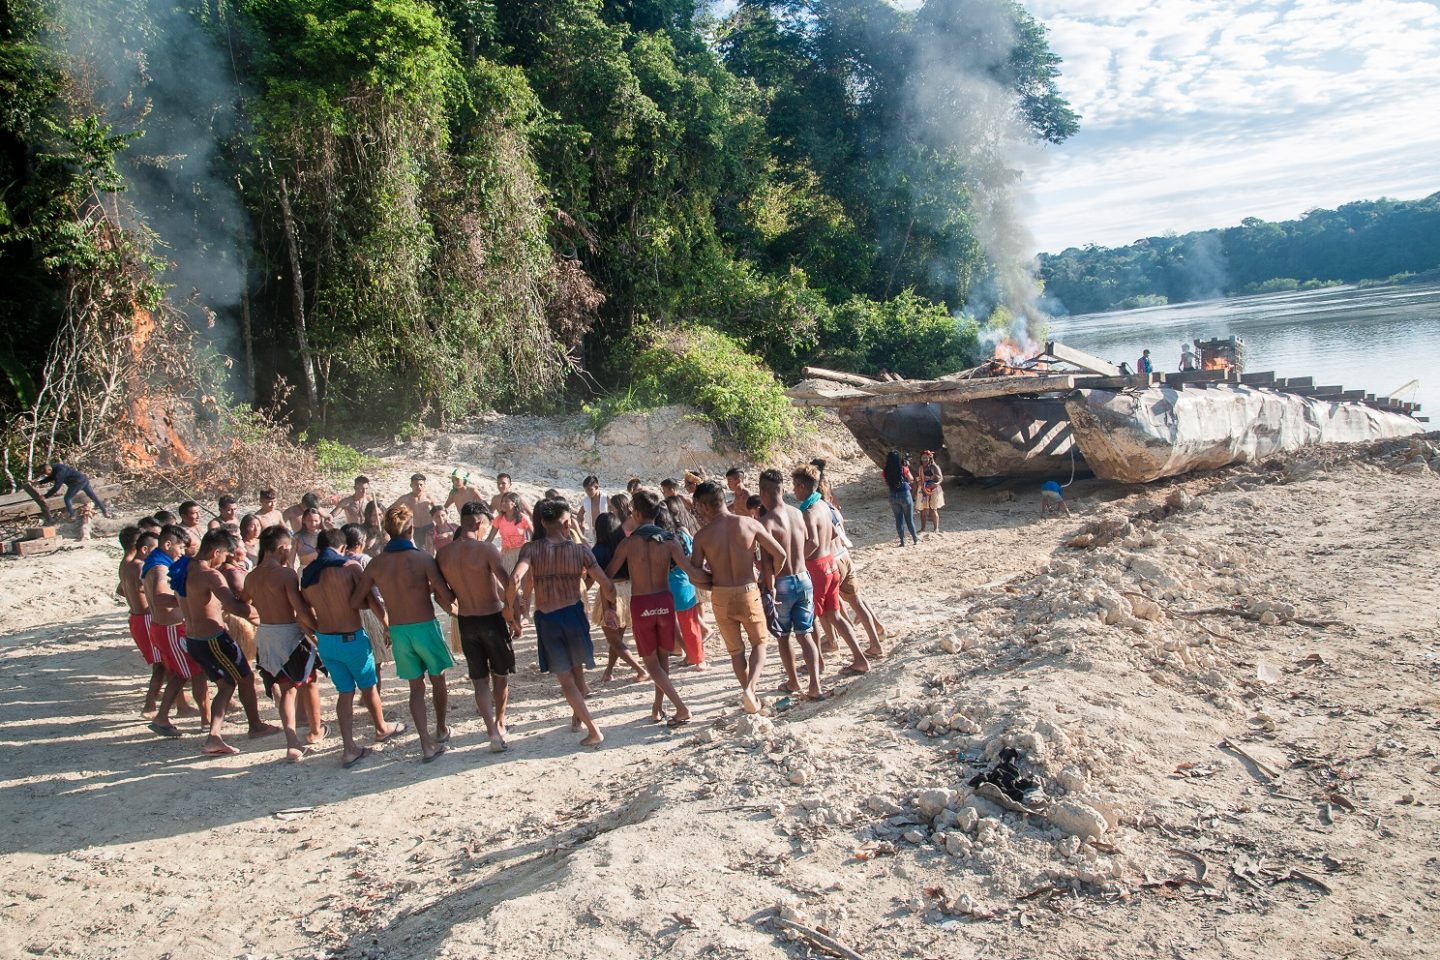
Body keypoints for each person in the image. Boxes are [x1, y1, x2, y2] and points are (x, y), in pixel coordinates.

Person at [506, 498, 621, 747]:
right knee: (576, 669)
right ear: (567, 522)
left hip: (549, 618)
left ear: (543, 522)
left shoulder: (531, 549)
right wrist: (611, 609)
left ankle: (593, 730)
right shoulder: (580, 550)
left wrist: (511, 610)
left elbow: (515, 578)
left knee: (566, 680)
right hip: (575, 615)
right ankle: (578, 717)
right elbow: (607, 584)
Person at [352, 504, 456, 763]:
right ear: (410, 530)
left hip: (398, 629)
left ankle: (426, 743)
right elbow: (446, 594)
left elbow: (357, 599)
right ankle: (441, 728)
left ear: (387, 531)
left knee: (415, 688)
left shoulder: (376, 564)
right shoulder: (422, 559)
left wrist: (381, 610)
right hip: (424, 625)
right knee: (438, 679)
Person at [304, 529, 407, 768]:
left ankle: (349, 748)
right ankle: (381, 728)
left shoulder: (307, 574)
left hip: (326, 640)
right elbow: (371, 599)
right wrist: (387, 625)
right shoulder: (350, 567)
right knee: (368, 687)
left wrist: (315, 631)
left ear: (319, 549)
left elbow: (302, 612)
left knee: (345, 692)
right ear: (341, 547)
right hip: (351, 638)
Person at [173, 529, 280, 755]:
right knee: (245, 678)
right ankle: (254, 726)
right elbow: (234, 606)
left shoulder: (184, 566)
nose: (225, 560)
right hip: (212, 638)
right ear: (216, 551)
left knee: (226, 684)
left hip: (193, 638)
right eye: (224, 555)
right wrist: (265, 617)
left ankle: (215, 735)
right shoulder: (210, 575)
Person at [688, 481, 788, 714]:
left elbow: (696, 574)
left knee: (736, 651)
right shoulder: (748, 523)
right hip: (748, 590)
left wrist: (709, 582)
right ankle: (751, 691)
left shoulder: (702, 536)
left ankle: (749, 695)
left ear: (703, 506)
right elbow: (780, 554)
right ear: (723, 499)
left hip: (721, 594)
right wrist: (766, 578)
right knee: (760, 643)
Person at [606, 492, 693, 726]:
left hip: (642, 603)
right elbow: (691, 570)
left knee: (651, 663)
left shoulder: (628, 543)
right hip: (665, 602)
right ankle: (658, 707)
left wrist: (608, 604)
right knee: (663, 658)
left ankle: (681, 708)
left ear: (635, 513)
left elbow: (609, 575)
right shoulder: (670, 541)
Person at [243, 526, 326, 762]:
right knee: (302, 685)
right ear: (280, 548)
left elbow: (242, 602)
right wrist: (317, 630)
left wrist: (259, 617)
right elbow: (299, 609)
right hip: (289, 634)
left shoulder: (252, 576)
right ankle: (308, 733)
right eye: (288, 549)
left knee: (290, 687)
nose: (288, 553)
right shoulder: (286, 574)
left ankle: (300, 736)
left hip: (266, 634)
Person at [436, 501, 514, 752]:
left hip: (466, 621)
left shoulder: (444, 554)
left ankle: (491, 731)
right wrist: (513, 613)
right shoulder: (487, 550)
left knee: (479, 680)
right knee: (500, 676)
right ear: (479, 522)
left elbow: (441, 595)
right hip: (491, 617)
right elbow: (508, 584)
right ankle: (500, 722)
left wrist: (454, 609)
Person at [795, 464, 869, 677]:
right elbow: (835, 535)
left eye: (795, 486)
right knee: (835, 615)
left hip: (816, 567)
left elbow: (812, 543)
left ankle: (817, 663)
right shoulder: (823, 505)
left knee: (813, 618)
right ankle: (859, 658)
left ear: (801, 486)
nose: (794, 491)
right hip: (830, 563)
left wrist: (796, 559)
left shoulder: (808, 512)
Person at [757, 469, 824, 701]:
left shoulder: (765, 522)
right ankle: (815, 685)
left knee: (783, 636)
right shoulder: (797, 513)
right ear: (782, 489)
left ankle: (793, 681)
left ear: (762, 492)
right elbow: (810, 542)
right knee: (805, 634)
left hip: (782, 583)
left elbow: (767, 560)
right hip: (804, 578)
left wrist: (768, 585)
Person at [143, 525, 206, 737]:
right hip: (170, 629)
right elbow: (160, 597)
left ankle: (177, 716)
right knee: (189, 672)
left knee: (184, 672)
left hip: (163, 628)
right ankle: (163, 717)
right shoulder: (160, 568)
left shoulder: (154, 562)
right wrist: (186, 600)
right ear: (167, 544)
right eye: (179, 547)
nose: (181, 552)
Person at [591, 513, 649, 683]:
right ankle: (608, 672)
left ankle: (641, 670)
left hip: (610, 592)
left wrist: (607, 606)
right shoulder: (627, 545)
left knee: (614, 640)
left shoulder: (598, 551)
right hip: (628, 591)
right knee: (617, 638)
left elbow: (603, 581)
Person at [336, 523, 392, 689]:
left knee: (359, 658)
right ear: (361, 542)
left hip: (346, 613)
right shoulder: (364, 560)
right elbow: (378, 589)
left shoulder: (338, 562)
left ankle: (365, 694)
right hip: (369, 611)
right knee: (374, 659)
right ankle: (373, 696)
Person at [118, 527, 165, 717]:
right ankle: (150, 705)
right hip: (145, 618)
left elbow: (121, 590)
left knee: (163, 663)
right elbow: (145, 588)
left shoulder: (126, 563)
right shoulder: (139, 566)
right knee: (161, 664)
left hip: (137, 617)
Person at [660, 495, 706, 671]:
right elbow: (694, 555)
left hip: (664, 587)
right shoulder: (679, 536)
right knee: (690, 624)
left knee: (673, 624)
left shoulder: (658, 541)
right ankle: (697, 658)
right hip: (684, 584)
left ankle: (689, 656)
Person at [36, 461, 110, 519]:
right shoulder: (55, 467)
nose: (47, 475)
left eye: (46, 473)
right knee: (93, 496)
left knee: (67, 498)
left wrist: (45, 496)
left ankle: (72, 516)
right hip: (83, 479)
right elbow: (51, 477)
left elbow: (57, 486)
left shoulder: (59, 472)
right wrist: (39, 482)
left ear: (49, 469)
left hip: (77, 483)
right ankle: (105, 512)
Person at [488, 492, 533, 573]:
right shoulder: (499, 519)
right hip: (506, 554)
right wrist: (480, 548)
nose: (503, 504)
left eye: (506, 501)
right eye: (502, 501)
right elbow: (490, 537)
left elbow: (534, 536)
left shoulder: (523, 518)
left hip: (521, 554)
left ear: (514, 504)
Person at [883, 451, 919, 547]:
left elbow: (887, 483)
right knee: (909, 519)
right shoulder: (903, 468)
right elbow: (911, 479)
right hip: (904, 494)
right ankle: (915, 538)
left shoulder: (885, 471)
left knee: (898, 519)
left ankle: (902, 541)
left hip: (892, 495)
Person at [917, 450, 945, 534]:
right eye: (923, 458)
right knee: (923, 510)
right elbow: (919, 478)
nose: (924, 459)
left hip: (933, 489)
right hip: (923, 489)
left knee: (933, 509)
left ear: (930, 458)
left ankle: (936, 528)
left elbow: (941, 478)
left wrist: (936, 483)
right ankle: (922, 528)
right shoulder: (921, 467)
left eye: (926, 458)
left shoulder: (934, 466)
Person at [577, 475, 605, 544]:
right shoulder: (586, 501)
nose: (587, 492)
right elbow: (580, 516)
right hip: (592, 532)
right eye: (586, 490)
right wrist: (581, 528)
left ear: (596, 487)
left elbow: (616, 511)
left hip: (605, 531)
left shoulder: (606, 499)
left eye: (590, 489)